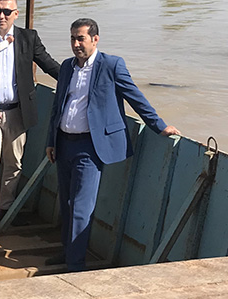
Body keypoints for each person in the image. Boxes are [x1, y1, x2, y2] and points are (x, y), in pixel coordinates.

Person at [45, 18, 181, 271]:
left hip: (90, 146)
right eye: (73, 38)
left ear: (95, 39)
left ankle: (75, 266)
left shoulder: (111, 65)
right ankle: (67, 252)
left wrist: (159, 125)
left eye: (81, 38)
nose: (75, 44)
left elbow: (135, 97)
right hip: (64, 143)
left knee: (81, 208)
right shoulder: (67, 67)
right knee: (65, 203)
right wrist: (50, 141)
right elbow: (58, 106)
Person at [0, 0, 60, 247]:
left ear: (16, 14)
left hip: (18, 111)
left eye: (7, 12)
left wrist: (75, 78)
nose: (1, 16)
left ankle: (6, 208)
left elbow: (48, 64)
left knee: (14, 163)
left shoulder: (28, 38)